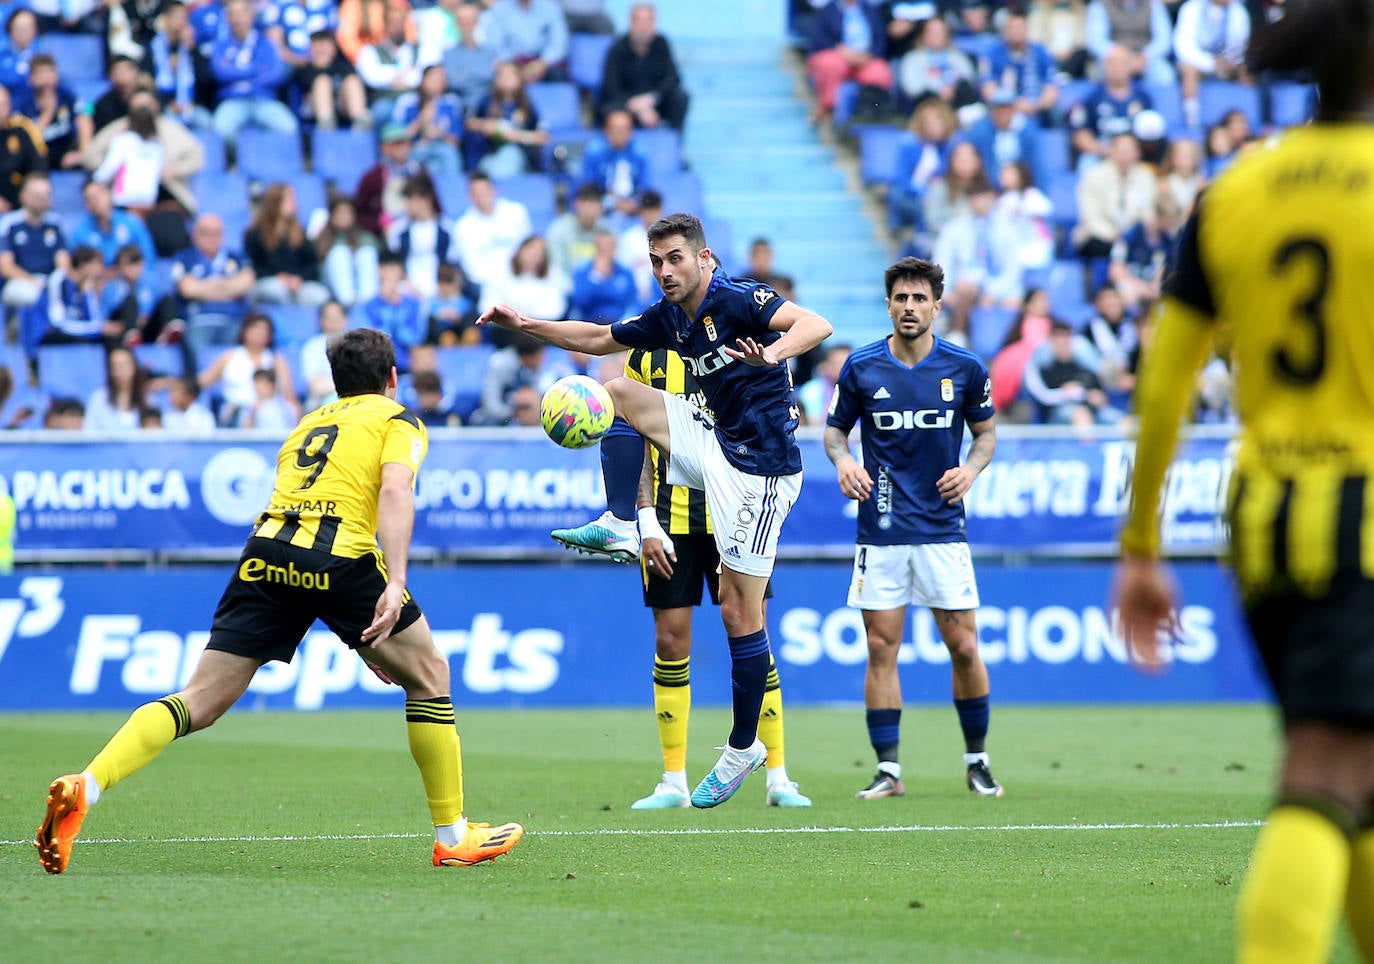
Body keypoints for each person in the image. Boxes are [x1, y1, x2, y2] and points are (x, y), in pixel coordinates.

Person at [36, 327, 525, 875]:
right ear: (392, 379)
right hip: (341, 555)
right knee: (430, 674)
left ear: (338, 382)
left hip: (266, 553)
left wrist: (365, 636)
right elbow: (393, 491)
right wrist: (394, 582)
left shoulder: (307, 423)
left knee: (200, 699)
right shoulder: (398, 419)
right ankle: (452, 835)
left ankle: (88, 785)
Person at [1113, 3, 1374, 958]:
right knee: (1326, 767)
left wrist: (1141, 546)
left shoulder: (1235, 193)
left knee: (1358, 778)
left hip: (1264, 522)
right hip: (1363, 523)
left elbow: (1166, 385)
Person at [480, 213, 833, 807]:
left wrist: (770, 356)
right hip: (715, 445)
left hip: (760, 475)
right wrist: (528, 323)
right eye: (656, 261)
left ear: (703, 258)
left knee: (739, 615)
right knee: (615, 391)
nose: (665, 271)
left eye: (674, 258)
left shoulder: (741, 300)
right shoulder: (670, 317)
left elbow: (816, 324)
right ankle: (621, 519)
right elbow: (596, 339)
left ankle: (745, 747)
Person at [822, 256, 1002, 800]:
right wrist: (844, 462)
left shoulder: (965, 367)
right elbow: (834, 434)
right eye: (901, 298)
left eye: (919, 299)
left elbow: (987, 433)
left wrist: (970, 470)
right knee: (882, 647)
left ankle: (977, 761)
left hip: (943, 528)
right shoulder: (861, 367)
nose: (909, 307)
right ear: (889, 304)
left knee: (965, 646)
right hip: (880, 528)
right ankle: (889, 771)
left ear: (936, 307)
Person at [625, 343, 810, 810]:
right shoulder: (647, 355)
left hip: (743, 512)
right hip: (673, 519)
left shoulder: (744, 345)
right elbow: (637, 444)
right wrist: (645, 520)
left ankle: (778, 776)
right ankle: (672, 780)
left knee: (753, 628)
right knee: (670, 641)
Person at [210, 0, 299, 150]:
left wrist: (241, 76)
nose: (237, 18)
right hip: (233, 99)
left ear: (251, 15)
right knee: (219, 129)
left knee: (289, 128)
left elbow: (276, 73)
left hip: (263, 98)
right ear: (227, 17)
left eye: (242, 12)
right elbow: (220, 73)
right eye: (232, 13)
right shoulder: (221, 45)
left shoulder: (266, 43)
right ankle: (234, 165)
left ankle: (270, 163)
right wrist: (256, 69)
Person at [597, 3, 690, 130]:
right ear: (631, 23)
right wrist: (638, 108)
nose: (643, 27)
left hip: (654, 103)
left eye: (648, 21)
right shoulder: (617, 48)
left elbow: (673, 77)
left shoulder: (661, 44)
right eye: (639, 21)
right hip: (627, 104)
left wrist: (651, 99)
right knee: (608, 109)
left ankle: (674, 141)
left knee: (680, 97)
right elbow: (611, 88)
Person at [244, 183, 331, 307]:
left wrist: (299, 279)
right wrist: (279, 277)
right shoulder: (255, 234)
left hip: (298, 283)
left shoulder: (300, 233)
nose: (294, 203)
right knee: (276, 290)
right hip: (270, 281)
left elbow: (312, 265)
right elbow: (255, 266)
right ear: (275, 202)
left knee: (319, 295)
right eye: (289, 199)